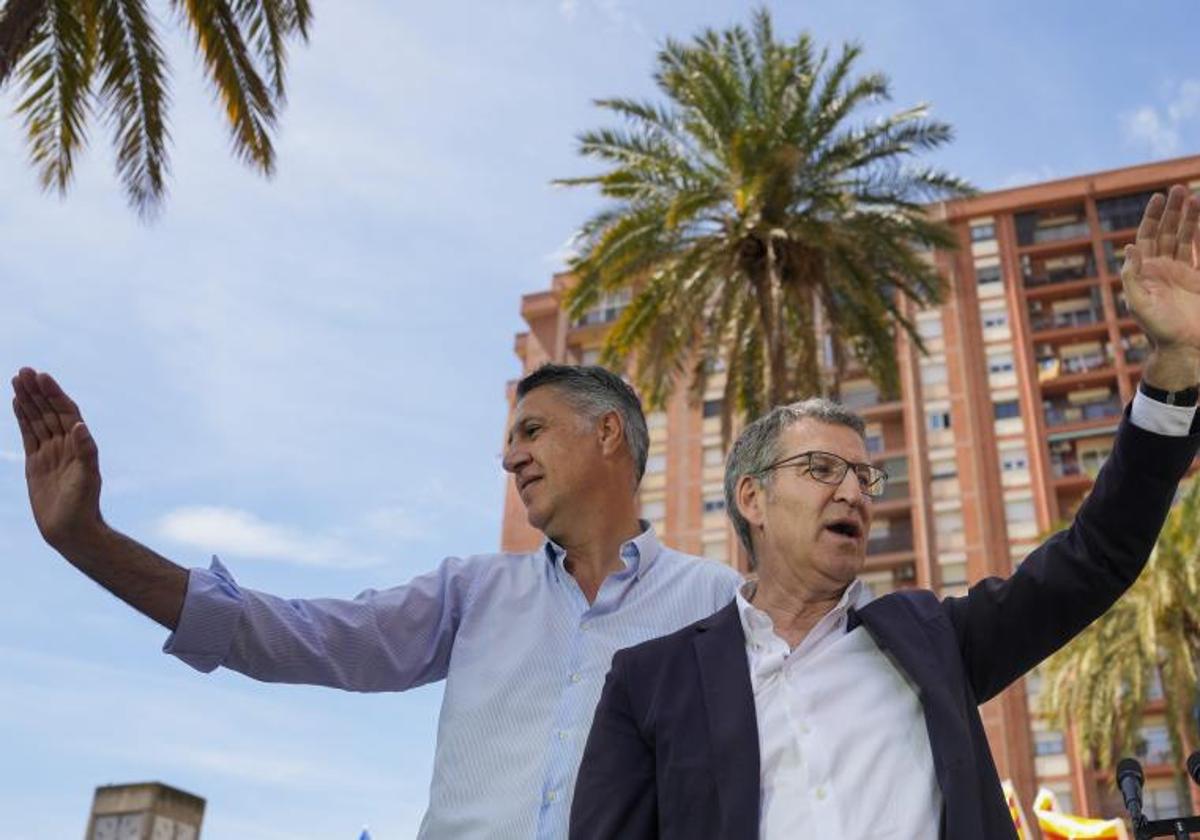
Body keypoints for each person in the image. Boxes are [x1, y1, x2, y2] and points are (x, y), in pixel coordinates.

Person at [569, 184, 1200, 840]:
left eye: (865, 477)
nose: (852, 493)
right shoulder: (650, 682)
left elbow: (1095, 557)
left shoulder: (934, 641)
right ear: (751, 498)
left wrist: (1174, 368)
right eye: (820, 469)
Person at [10, 362, 741, 839]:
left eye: (532, 430)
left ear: (607, 432)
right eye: (509, 439)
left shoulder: (718, 605)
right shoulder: (473, 591)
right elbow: (304, 636)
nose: (510, 455)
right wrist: (87, 541)